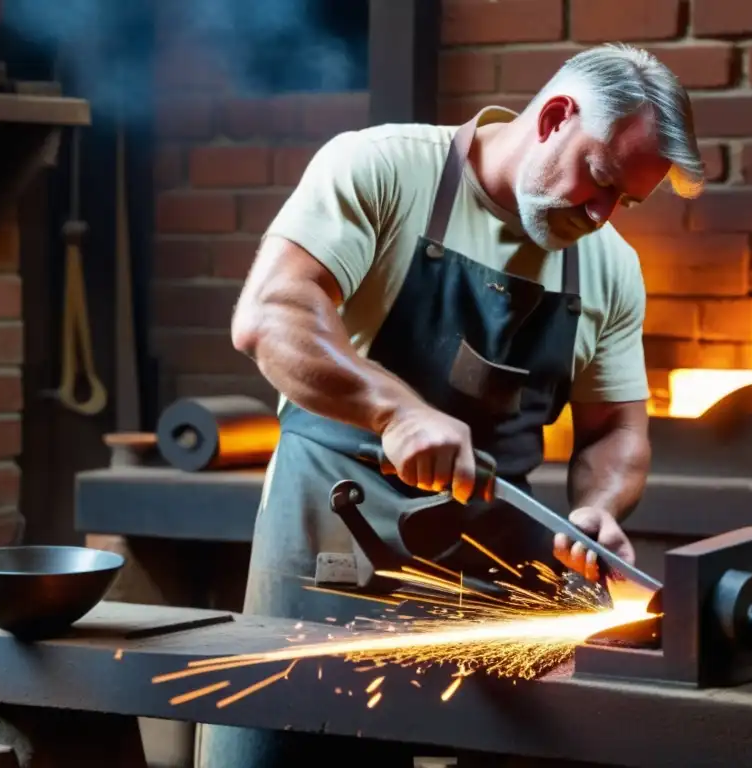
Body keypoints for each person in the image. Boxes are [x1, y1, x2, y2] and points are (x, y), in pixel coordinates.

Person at [197, 43, 704, 768]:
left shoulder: (611, 265)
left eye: (623, 199)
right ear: (556, 116)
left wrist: (601, 509)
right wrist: (395, 411)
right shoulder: (382, 167)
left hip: (497, 571)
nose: (601, 213)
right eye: (598, 178)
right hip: (334, 540)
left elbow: (616, 428)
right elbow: (271, 314)